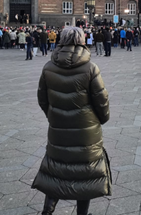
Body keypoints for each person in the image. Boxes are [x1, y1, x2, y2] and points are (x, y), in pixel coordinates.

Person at [32, 27, 110, 215]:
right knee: (85, 174)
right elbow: (101, 100)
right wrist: (102, 119)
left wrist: (54, 115)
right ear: (82, 41)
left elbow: (42, 98)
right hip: (86, 131)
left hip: (58, 127)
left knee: (56, 169)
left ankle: (47, 210)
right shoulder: (90, 68)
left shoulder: (48, 67)